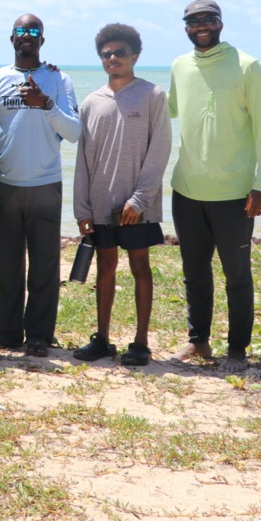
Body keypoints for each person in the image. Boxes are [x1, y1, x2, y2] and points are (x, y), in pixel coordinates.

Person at [168, 0, 261, 364]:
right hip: (186, 191)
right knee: (194, 274)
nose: (201, 25)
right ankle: (198, 341)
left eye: (208, 19)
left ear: (220, 23)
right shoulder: (180, 66)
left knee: (237, 276)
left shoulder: (249, 67)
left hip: (235, 195)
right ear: (185, 27)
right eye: (193, 21)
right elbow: (164, 108)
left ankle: (237, 349)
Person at [0, 14, 80, 358]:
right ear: (11, 39)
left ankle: (38, 335)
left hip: (46, 186)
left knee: (45, 264)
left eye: (33, 31)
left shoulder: (59, 79)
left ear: (42, 40)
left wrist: (46, 104)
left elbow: (75, 132)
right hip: (5, 185)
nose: (26, 36)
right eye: (20, 31)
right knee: (9, 264)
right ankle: (7, 332)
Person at [72, 24, 171, 367]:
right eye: (106, 54)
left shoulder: (152, 95)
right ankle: (101, 338)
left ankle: (141, 343)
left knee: (140, 267)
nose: (113, 58)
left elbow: (159, 150)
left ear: (135, 56)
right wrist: (81, 208)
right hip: (100, 203)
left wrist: (140, 199)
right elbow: (83, 160)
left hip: (136, 205)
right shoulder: (91, 102)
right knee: (105, 268)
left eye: (120, 53)